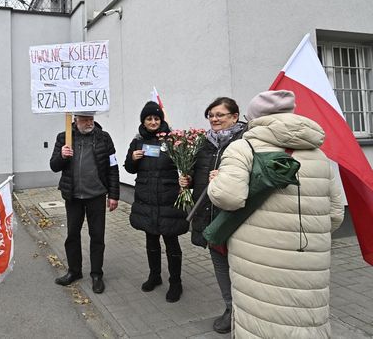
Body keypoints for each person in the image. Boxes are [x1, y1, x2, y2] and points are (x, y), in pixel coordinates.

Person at [207, 90, 344, 338]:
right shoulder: (318, 154)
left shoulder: (243, 148)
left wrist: (215, 182)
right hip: (308, 258)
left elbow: (229, 197)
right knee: (305, 322)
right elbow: (335, 213)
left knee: (262, 322)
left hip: (258, 257)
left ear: (253, 117)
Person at [180, 97, 246, 333]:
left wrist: (225, 178)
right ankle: (230, 308)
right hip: (209, 214)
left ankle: (246, 310)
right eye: (211, 115)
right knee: (219, 265)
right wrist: (186, 181)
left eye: (220, 114)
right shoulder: (204, 143)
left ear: (235, 117)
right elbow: (198, 175)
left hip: (235, 216)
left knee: (241, 266)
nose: (214, 119)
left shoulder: (245, 142)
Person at [49, 111, 120, 294]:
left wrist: (114, 194)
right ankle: (74, 271)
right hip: (73, 197)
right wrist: (62, 156)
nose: (89, 123)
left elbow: (113, 167)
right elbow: (54, 166)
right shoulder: (64, 137)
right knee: (72, 235)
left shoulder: (103, 138)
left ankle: (97, 274)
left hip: (96, 195)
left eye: (91, 119)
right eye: (85, 119)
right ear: (75, 120)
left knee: (97, 236)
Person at [124, 101, 187, 303]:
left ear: (161, 120)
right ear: (143, 120)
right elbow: (129, 169)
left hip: (168, 199)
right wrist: (133, 158)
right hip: (147, 200)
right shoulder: (137, 141)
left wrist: (186, 177)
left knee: (171, 241)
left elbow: (186, 165)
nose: (153, 122)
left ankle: (176, 282)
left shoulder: (172, 140)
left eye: (156, 118)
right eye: (149, 118)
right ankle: (155, 276)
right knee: (151, 240)